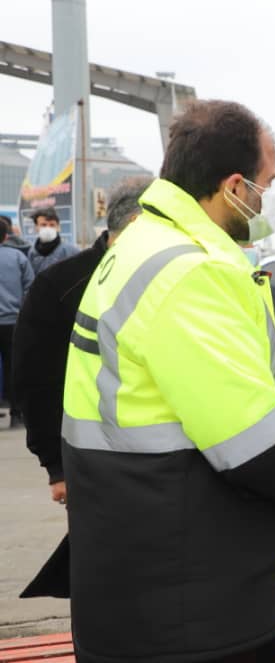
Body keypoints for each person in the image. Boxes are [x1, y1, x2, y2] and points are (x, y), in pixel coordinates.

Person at [61, 100, 275, 663]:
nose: (267, 200)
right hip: (188, 599)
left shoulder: (141, 244)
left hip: (138, 565)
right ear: (234, 186)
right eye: (267, 184)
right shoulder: (190, 270)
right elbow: (255, 439)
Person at [16, 178, 148, 506]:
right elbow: (34, 378)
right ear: (137, 222)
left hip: (162, 459)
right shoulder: (61, 283)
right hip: (91, 459)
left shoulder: (168, 279)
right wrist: (55, 465)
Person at [0, 217, 34, 419]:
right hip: (13, 322)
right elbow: (30, 287)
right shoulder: (18, 257)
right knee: (13, 367)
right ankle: (16, 413)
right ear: (6, 236)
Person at [27, 207, 80, 274]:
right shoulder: (32, 253)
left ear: (58, 227)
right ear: (36, 227)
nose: (48, 228)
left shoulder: (71, 252)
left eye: (52, 225)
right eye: (43, 225)